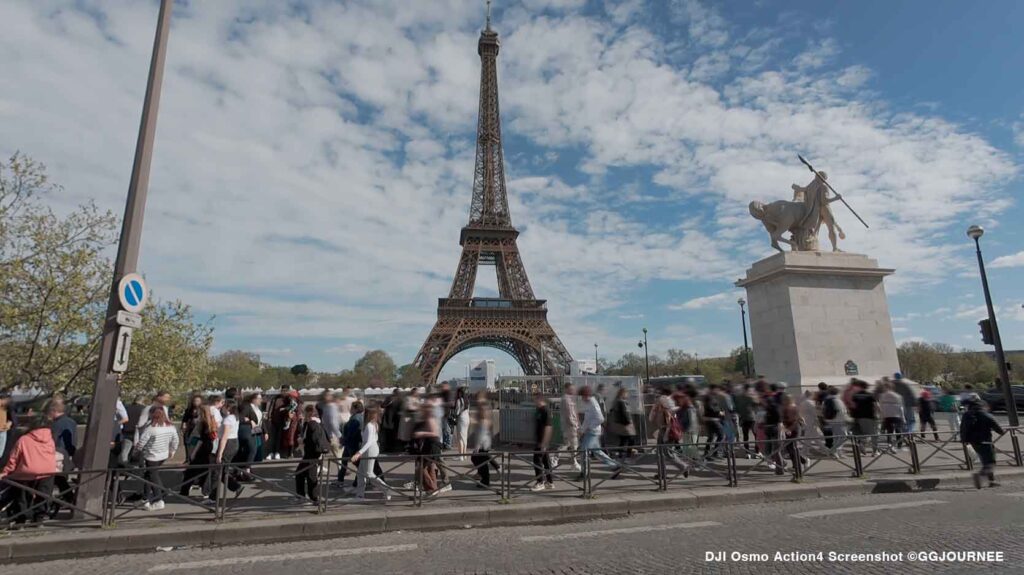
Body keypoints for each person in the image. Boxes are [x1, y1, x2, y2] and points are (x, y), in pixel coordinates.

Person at [0, 413, 56, 525]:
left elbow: (13, 459)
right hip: (47, 471)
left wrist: (5, 472)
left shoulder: (24, 439)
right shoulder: (50, 439)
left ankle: (21, 519)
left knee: (22, 497)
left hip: (26, 473)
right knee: (43, 495)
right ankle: (39, 518)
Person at [135, 407, 179, 511]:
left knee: (153, 476)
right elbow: (175, 440)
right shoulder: (170, 427)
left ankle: (158, 500)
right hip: (163, 455)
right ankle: (145, 498)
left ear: (152, 415)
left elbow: (141, 442)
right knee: (149, 475)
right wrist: (172, 451)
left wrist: (136, 451)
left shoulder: (151, 428)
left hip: (151, 456)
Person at [960, 395, 1005, 489]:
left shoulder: (967, 414)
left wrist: (964, 440)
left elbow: (963, 428)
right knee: (991, 462)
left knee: (985, 461)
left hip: (973, 442)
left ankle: (992, 481)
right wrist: (1001, 432)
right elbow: (995, 425)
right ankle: (980, 476)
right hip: (985, 441)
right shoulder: (984, 414)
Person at [577, 387, 621, 480]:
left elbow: (600, 418)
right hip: (592, 431)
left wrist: (588, 427)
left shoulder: (592, 403)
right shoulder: (588, 403)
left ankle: (584, 473)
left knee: (584, 451)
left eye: (582, 396)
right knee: (597, 452)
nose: (581, 398)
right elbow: (587, 419)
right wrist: (582, 429)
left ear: (586, 395)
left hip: (593, 432)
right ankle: (615, 466)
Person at [351, 407, 393, 501]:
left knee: (369, 473)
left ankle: (386, 489)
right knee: (361, 473)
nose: (364, 415)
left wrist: (359, 453)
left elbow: (369, 441)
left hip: (369, 449)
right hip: (369, 448)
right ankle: (360, 495)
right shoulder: (374, 424)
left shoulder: (370, 425)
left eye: (367, 413)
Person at [179, 404, 216, 498]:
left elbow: (198, 439)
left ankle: (185, 490)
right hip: (209, 447)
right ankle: (205, 491)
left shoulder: (202, 422)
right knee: (204, 469)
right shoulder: (212, 421)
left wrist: (193, 452)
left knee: (192, 469)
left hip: (201, 447)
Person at [209, 402, 243, 502]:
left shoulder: (228, 419)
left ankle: (213, 497)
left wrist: (219, 454)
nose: (222, 408)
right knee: (222, 470)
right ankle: (235, 486)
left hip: (228, 444)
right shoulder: (234, 417)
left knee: (217, 470)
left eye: (223, 407)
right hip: (234, 443)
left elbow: (224, 437)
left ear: (227, 407)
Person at [295, 404, 329, 504]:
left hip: (311, 454)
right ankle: (304, 496)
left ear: (309, 413)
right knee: (301, 474)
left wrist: (302, 441)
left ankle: (313, 498)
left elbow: (312, 439)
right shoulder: (319, 423)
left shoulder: (311, 424)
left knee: (310, 476)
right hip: (313, 454)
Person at [469, 391, 499, 487]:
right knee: (481, 459)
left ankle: (485, 480)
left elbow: (483, 430)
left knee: (479, 459)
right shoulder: (483, 408)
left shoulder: (483, 408)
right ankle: (485, 477)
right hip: (484, 441)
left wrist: (477, 445)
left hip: (483, 442)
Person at [413, 402, 441, 494]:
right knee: (429, 467)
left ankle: (432, 488)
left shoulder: (430, 418)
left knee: (421, 468)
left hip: (432, 445)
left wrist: (421, 433)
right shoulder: (428, 418)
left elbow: (434, 433)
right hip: (430, 445)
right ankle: (432, 488)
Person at [237, 393, 264, 478]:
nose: (261, 400)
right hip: (247, 431)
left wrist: (265, 431)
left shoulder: (257, 408)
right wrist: (249, 421)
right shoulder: (247, 406)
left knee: (251, 450)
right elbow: (240, 418)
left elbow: (260, 421)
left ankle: (243, 470)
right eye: (259, 398)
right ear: (253, 399)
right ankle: (246, 470)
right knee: (252, 450)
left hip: (254, 431)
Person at [339, 401, 364, 488]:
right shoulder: (359, 417)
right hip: (352, 444)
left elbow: (351, 434)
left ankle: (356, 483)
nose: (350, 409)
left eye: (352, 408)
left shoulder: (355, 419)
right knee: (344, 461)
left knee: (359, 465)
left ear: (356, 409)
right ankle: (340, 479)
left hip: (352, 445)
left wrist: (344, 441)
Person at [531, 393, 553, 491]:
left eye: (534, 399)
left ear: (540, 399)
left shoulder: (545, 411)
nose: (533, 401)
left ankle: (540, 482)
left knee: (537, 460)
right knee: (546, 461)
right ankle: (550, 482)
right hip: (539, 440)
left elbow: (548, 427)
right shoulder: (538, 410)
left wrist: (544, 443)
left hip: (542, 441)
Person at [849, 380, 879, 454]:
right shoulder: (870, 395)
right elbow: (876, 406)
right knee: (874, 434)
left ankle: (862, 444)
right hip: (870, 416)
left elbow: (852, 406)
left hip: (859, 417)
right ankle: (875, 451)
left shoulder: (855, 395)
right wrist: (878, 414)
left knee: (864, 432)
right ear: (867, 387)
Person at [559, 384, 581, 472]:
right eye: (572, 389)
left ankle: (574, 462)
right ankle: (555, 459)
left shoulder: (569, 398)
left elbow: (574, 412)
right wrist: (574, 425)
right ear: (567, 389)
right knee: (572, 445)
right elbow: (569, 414)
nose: (573, 390)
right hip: (570, 426)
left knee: (570, 445)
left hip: (570, 425)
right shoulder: (566, 399)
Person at [822, 386, 850, 456]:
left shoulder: (827, 400)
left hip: (831, 420)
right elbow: (841, 411)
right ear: (837, 392)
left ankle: (837, 452)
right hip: (838, 421)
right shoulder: (836, 400)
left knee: (836, 437)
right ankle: (832, 450)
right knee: (844, 436)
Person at [608, 387, 636, 454]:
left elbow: (612, 411)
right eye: (626, 393)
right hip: (625, 424)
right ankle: (627, 454)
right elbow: (625, 413)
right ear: (623, 393)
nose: (627, 395)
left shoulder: (616, 401)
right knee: (631, 439)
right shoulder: (621, 402)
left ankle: (621, 454)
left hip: (619, 424)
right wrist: (629, 422)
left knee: (623, 439)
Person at [878, 383, 905, 451]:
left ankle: (890, 444)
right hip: (896, 415)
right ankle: (899, 445)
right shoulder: (898, 396)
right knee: (898, 430)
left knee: (889, 431)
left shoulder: (882, 396)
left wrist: (882, 416)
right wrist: (903, 417)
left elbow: (881, 407)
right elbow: (901, 407)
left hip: (887, 415)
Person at [733, 384, 758, 457]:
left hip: (743, 418)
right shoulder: (750, 397)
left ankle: (747, 453)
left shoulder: (738, 398)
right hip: (752, 418)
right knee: (756, 435)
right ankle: (757, 452)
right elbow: (757, 405)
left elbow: (736, 408)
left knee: (745, 436)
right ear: (749, 389)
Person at [178, 394, 204, 464]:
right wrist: (183, 428)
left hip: (198, 431)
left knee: (195, 445)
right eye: (195, 401)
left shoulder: (203, 410)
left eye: (198, 401)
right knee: (187, 444)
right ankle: (188, 459)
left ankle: (193, 459)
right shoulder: (189, 409)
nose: (196, 402)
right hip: (189, 429)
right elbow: (184, 420)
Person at [453, 387, 471, 461]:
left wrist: (454, 417)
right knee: (465, 437)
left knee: (460, 437)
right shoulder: (467, 401)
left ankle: (460, 456)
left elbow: (457, 412)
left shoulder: (458, 400)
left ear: (460, 393)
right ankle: (464, 454)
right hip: (467, 418)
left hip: (461, 419)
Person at [0, 392, 11, 462]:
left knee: (0, 453)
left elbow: (11, 418)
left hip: (3, 432)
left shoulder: (4, 408)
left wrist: (9, 424)